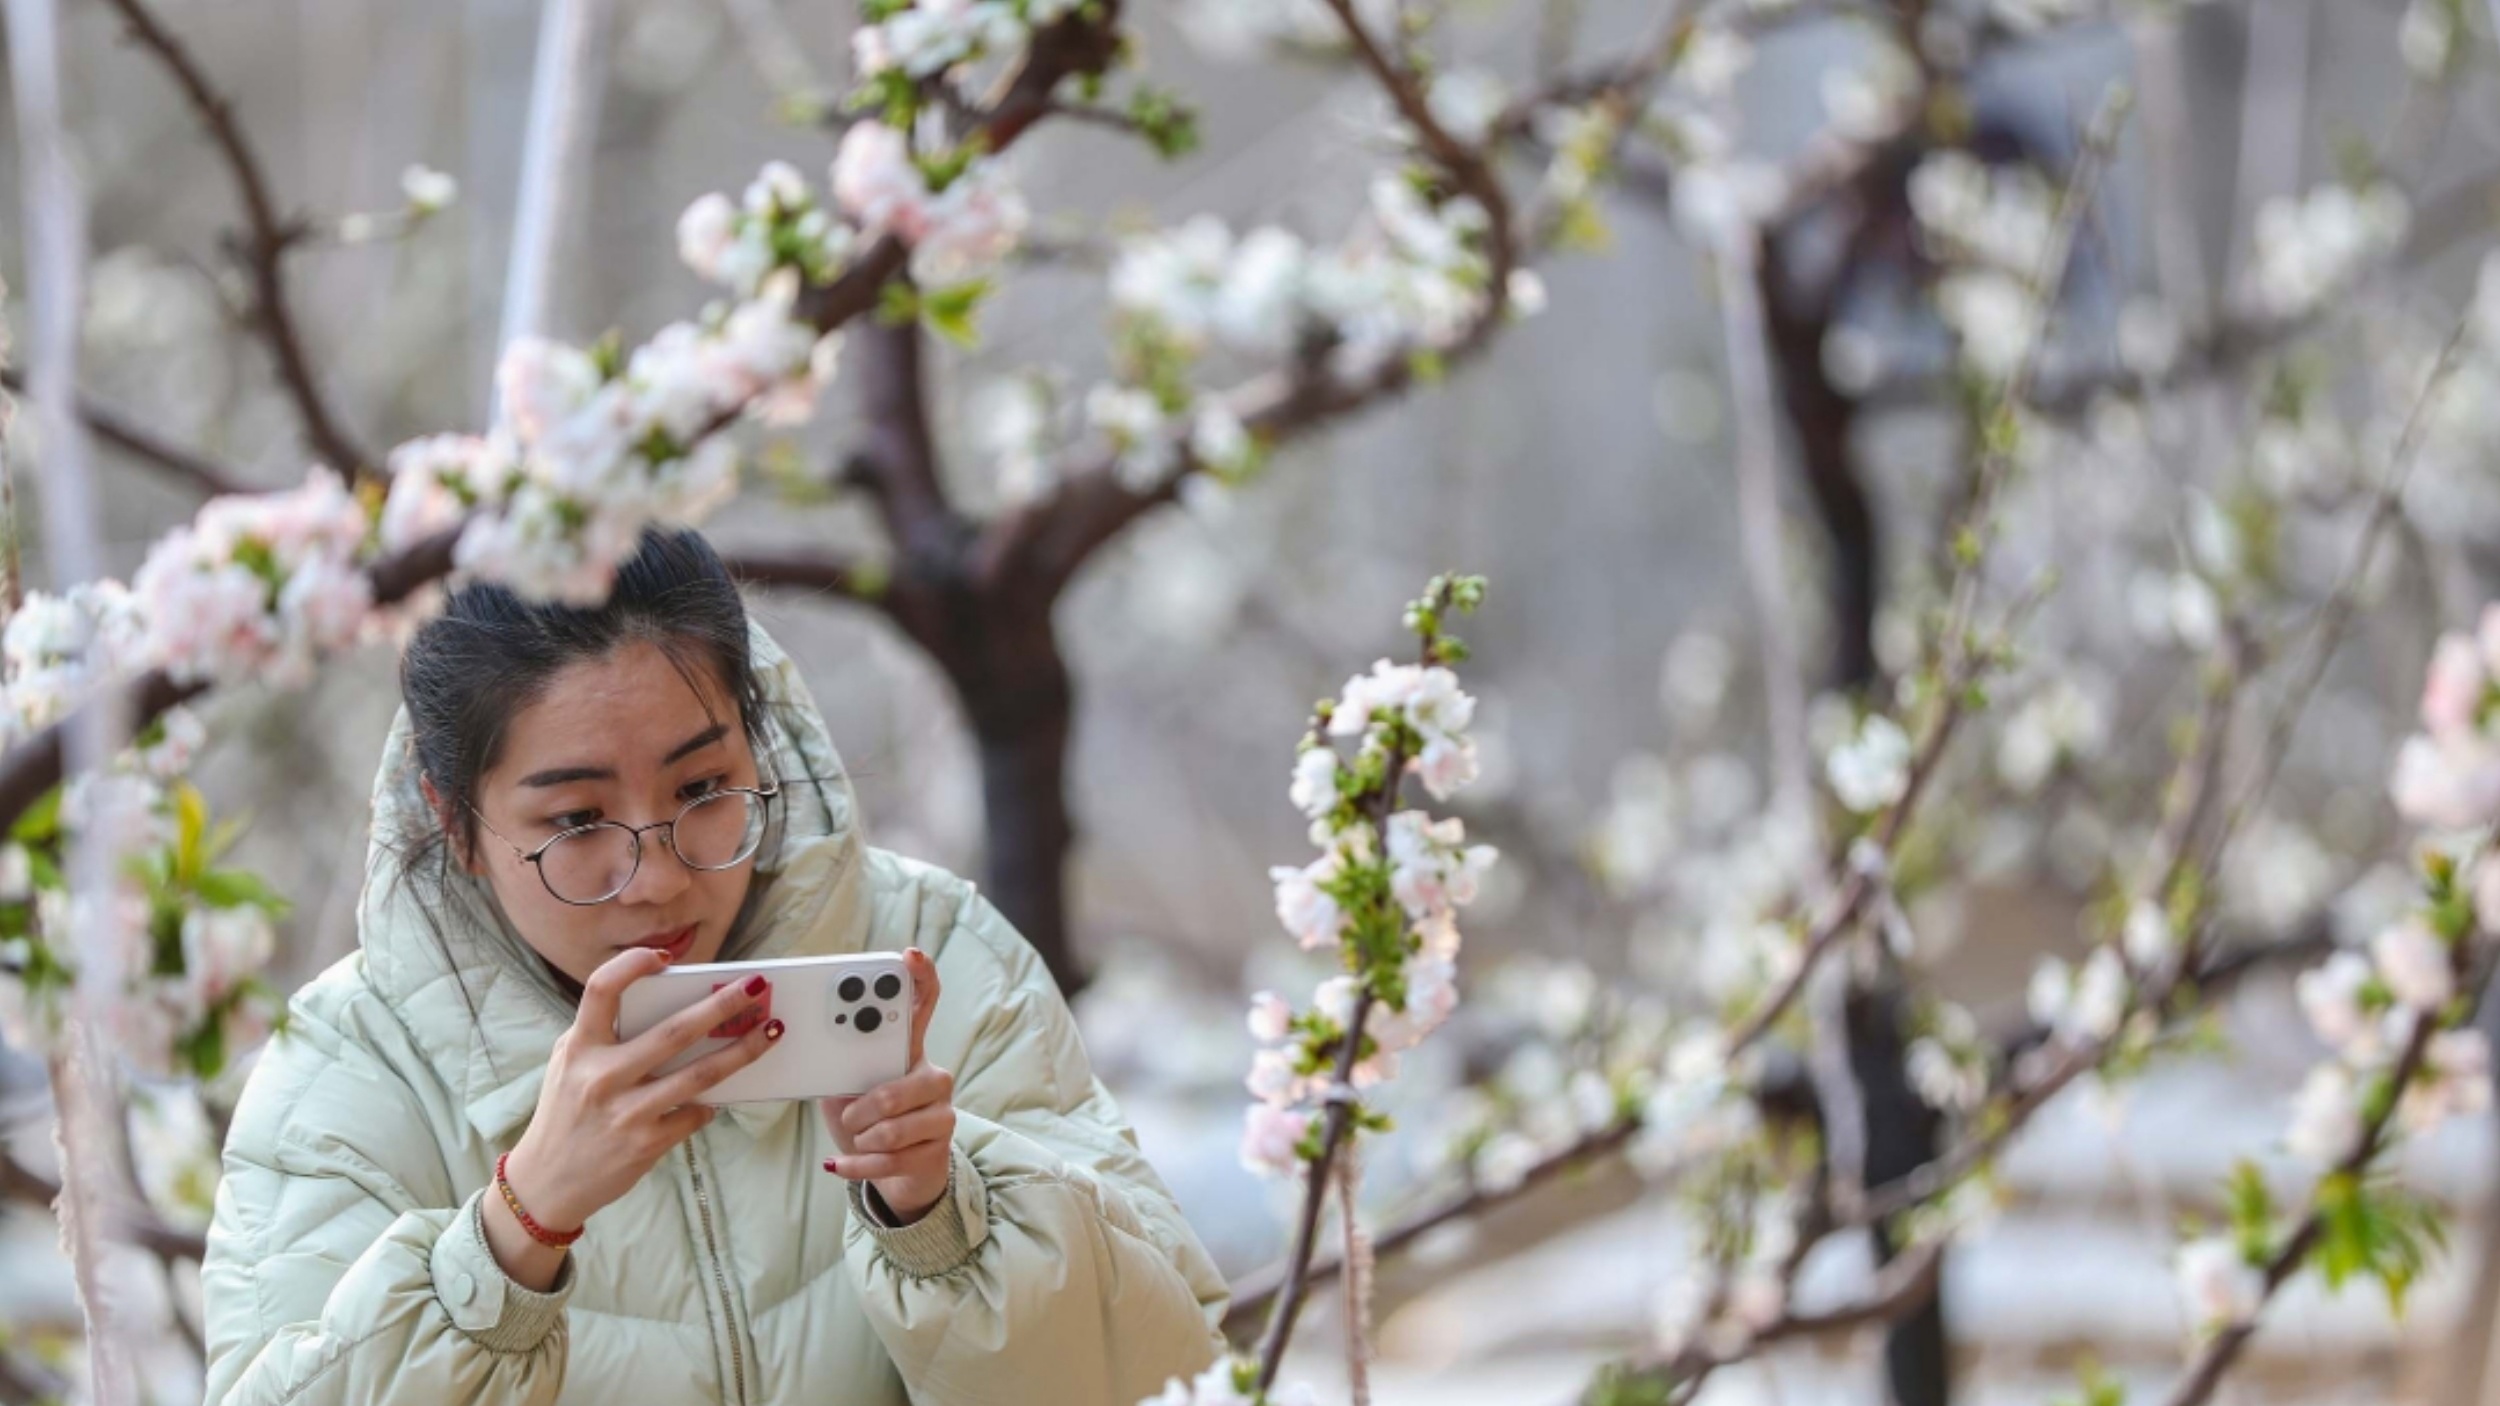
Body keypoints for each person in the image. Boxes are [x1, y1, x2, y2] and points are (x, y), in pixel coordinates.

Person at [200, 528, 1228, 1405]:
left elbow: (1174, 1372)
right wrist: (516, 1229)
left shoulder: (934, 945)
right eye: (577, 818)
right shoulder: (347, 1070)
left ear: (759, 746)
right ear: (454, 818)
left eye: (704, 785)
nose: (654, 876)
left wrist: (942, 1218)